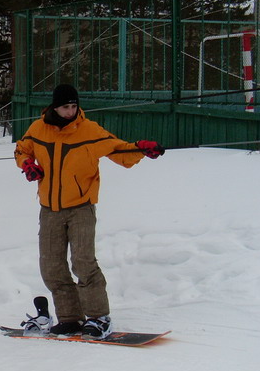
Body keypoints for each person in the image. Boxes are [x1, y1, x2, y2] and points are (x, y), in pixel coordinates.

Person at [14, 84, 164, 339]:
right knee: (51, 266)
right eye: (65, 107)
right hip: (49, 209)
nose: (71, 111)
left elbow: (119, 149)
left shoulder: (89, 130)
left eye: (74, 106)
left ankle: (98, 318)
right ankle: (70, 318)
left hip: (81, 207)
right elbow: (22, 148)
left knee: (83, 262)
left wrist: (141, 148)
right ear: (54, 107)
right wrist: (28, 165)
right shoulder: (38, 129)